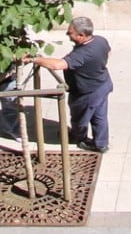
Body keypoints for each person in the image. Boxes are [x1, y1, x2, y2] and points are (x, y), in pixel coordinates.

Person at [33, 14, 113, 153]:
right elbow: (109, 52)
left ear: (81, 35)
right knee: (99, 116)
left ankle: (79, 137)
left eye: (70, 33)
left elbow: (58, 65)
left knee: (80, 118)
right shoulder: (100, 41)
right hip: (102, 84)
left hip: (87, 93)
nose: (68, 35)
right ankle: (101, 143)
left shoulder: (83, 54)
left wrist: (34, 59)